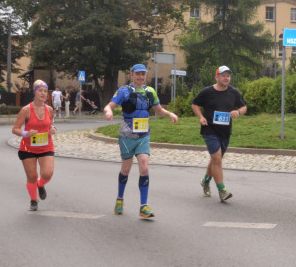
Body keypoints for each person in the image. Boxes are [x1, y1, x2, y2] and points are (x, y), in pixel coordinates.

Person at [103, 64, 178, 218]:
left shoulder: (150, 91)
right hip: (127, 136)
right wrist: (109, 111)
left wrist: (169, 114)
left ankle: (143, 206)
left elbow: (158, 110)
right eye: (138, 74)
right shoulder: (124, 91)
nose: (141, 77)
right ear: (131, 75)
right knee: (126, 170)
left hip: (143, 136)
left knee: (144, 167)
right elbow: (109, 106)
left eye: (143, 74)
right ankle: (120, 199)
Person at [191, 65, 246, 202]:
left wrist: (238, 112)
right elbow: (195, 104)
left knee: (216, 159)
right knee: (217, 158)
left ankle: (205, 181)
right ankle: (222, 191)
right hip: (209, 129)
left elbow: (244, 107)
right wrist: (201, 117)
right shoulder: (207, 91)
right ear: (217, 77)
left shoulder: (234, 92)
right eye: (223, 75)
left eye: (228, 75)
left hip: (225, 131)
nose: (226, 78)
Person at [12, 80, 57, 211]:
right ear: (35, 92)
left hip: (46, 146)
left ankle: (40, 184)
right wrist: (26, 133)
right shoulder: (25, 110)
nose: (43, 93)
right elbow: (15, 129)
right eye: (40, 90)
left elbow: (50, 124)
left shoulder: (49, 109)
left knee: (47, 174)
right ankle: (33, 199)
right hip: (28, 148)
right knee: (31, 176)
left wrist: (53, 128)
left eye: (45, 91)